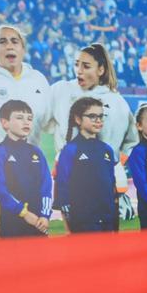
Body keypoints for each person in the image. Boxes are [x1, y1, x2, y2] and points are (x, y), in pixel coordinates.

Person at [0, 25, 51, 240]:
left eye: (15, 41)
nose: (9, 45)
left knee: (30, 229)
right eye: (2, 41)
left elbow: (49, 120)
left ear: (23, 48)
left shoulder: (38, 80)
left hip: (29, 166)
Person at [48, 43, 138, 211]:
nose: (79, 70)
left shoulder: (116, 102)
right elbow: (42, 121)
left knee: (99, 229)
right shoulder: (61, 90)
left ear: (101, 70)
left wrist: (117, 164)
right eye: (77, 64)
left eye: (86, 66)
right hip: (69, 174)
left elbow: (131, 141)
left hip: (102, 176)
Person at [0, 100, 51, 239]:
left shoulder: (36, 152)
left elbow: (46, 186)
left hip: (39, 222)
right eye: (20, 118)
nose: (26, 122)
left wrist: (45, 215)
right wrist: (24, 213)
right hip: (13, 222)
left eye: (29, 118)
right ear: (5, 123)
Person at [55, 97, 117, 233]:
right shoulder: (70, 149)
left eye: (101, 116)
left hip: (107, 217)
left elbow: (111, 183)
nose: (98, 120)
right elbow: (62, 182)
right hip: (82, 219)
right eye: (92, 116)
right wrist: (67, 214)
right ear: (78, 119)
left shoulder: (107, 149)